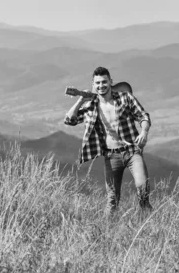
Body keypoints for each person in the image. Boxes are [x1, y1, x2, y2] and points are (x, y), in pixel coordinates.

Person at [64, 67, 152, 214]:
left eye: (104, 82)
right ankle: (107, 230)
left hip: (132, 151)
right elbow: (69, 120)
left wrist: (144, 131)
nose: (101, 86)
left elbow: (143, 116)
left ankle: (148, 220)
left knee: (143, 188)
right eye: (97, 83)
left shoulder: (125, 97)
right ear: (93, 84)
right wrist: (80, 100)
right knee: (112, 200)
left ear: (111, 82)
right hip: (111, 156)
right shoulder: (91, 106)